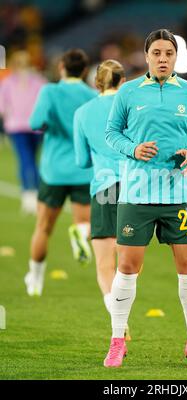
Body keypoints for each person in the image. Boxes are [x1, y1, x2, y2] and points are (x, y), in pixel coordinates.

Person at [104, 29, 187, 368]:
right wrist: (133, 148)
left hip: (179, 195)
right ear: (147, 56)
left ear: (176, 57)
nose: (162, 58)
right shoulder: (129, 92)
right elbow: (112, 133)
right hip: (137, 194)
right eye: (156, 53)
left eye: (168, 53)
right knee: (126, 267)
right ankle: (117, 340)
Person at [24, 49, 96, 296]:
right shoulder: (92, 95)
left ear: (62, 68)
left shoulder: (50, 91)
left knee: (43, 228)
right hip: (84, 169)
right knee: (84, 223)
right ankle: (80, 233)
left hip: (54, 169)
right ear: (85, 71)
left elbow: (35, 123)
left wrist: (50, 124)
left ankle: (35, 281)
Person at [73, 59, 131, 339]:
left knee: (104, 262)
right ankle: (123, 312)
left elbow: (82, 160)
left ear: (96, 82)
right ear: (122, 81)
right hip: (137, 186)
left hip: (105, 187)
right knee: (129, 259)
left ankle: (116, 318)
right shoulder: (133, 108)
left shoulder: (83, 112)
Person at [0, 51, 46, 213]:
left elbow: (2, 107)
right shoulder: (39, 81)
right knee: (33, 159)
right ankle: (37, 193)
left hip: (16, 127)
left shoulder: (8, 82)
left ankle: (29, 195)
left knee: (25, 159)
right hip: (36, 127)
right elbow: (45, 105)